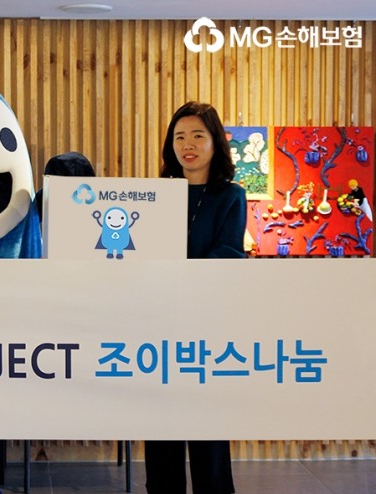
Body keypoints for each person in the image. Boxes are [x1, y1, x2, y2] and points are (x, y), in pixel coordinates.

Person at [144, 101, 246, 494]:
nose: (187, 145)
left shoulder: (231, 196)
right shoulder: (155, 194)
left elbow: (229, 253)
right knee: (161, 431)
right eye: (179, 137)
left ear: (215, 142)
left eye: (198, 136)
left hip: (207, 326)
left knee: (208, 434)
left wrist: (179, 273)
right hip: (158, 326)